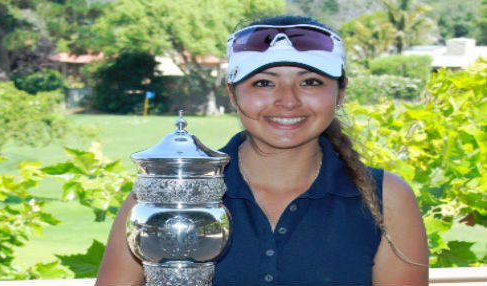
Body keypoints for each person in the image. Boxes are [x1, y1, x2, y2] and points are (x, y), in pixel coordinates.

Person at [95, 15, 428, 286]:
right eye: (263, 83)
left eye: (310, 81)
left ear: (340, 93)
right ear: (232, 93)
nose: (288, 100)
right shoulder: (165, 190)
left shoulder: (387, 197)